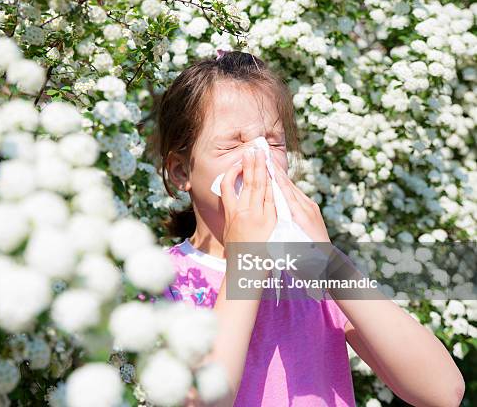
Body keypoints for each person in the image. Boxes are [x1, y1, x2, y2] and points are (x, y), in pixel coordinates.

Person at [152, 50, 465, 406]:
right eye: (234, 143)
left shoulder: (311, 271)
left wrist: (330, 263)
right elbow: (203, 400)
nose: (261, 157)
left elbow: (443, 392)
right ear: (181, 171)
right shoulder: (162, 280)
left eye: (273, 141)